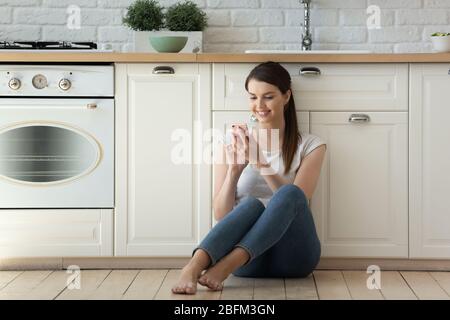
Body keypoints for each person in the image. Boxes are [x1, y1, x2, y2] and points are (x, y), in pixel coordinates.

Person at [172, 61, 327, 294]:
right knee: (250, 206)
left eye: (268, 96)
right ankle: (194, 266)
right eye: (253, 97)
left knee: (290, 193)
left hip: (294, 257)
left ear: (286, 96)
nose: (259, 105)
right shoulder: (231, 142)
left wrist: (260, 163)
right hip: (248, 264)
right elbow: (221, 215)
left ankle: (224, 266)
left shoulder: (311, 145)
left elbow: (298, 203)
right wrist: (235, 170)